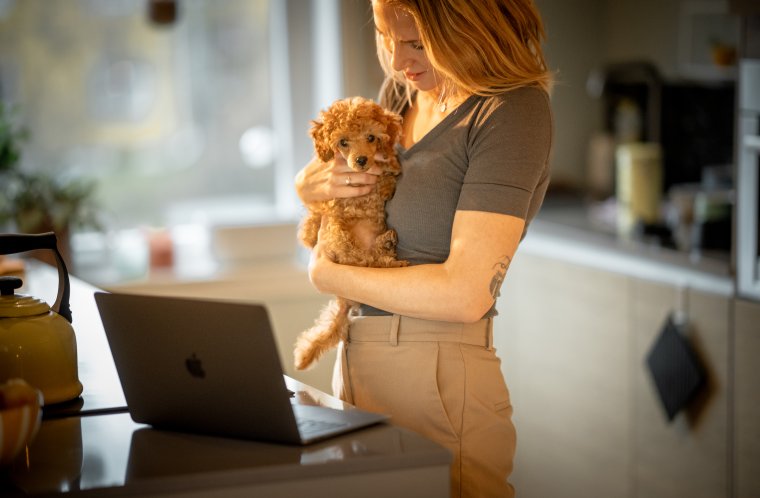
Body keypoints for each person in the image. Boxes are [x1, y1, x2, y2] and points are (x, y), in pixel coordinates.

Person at [295, 1, 553, 496]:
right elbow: (360, 210)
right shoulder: (402, 94)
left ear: (471, 27)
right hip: (356, 358)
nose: (398, 62)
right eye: (387, 39)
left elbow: (464, 295)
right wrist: (308, 190)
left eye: (415, 43)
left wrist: (326, 276)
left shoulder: (513, 110)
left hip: (438, 376)